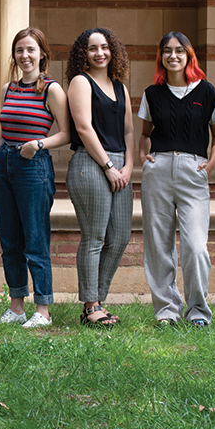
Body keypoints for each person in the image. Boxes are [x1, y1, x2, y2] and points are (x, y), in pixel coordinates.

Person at [0, 28, 70, 328]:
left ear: (42, 54)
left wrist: (39, 144)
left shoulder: (51, 90)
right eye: (20, 50)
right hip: (6, 164)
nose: (25, 56)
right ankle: (16, 307)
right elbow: (2, 135)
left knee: (35, 240)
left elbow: (66, 134)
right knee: (9, 240)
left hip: (34, 166)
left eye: (31, 50)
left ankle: (42, 310)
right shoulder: (9, 88)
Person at [138, 32, 215, 327]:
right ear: (160, 56)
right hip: (158, 170)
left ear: (189, 55)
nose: (172, 56)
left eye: (179, 51)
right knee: (158, 244)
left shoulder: (207, 92)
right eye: (166, 51)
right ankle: (167, 311)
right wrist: (143, 157)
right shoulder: (152, 94)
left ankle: (198, 312)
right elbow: (145, 134)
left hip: (193, 172)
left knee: (195, 246)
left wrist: (210, 164)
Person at [65, 27, 134, 329]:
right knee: (94, 237)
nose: (100, 53)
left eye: (105, 47)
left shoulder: (119, 86)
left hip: (120, 164)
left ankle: (98, 301)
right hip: (92, 163)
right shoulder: (81, 82)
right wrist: (108, 165)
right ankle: (90, 304)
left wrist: (129, 166)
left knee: (119, 237)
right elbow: (83, 127)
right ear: (84, 54)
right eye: (92, 48)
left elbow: (130, 130)